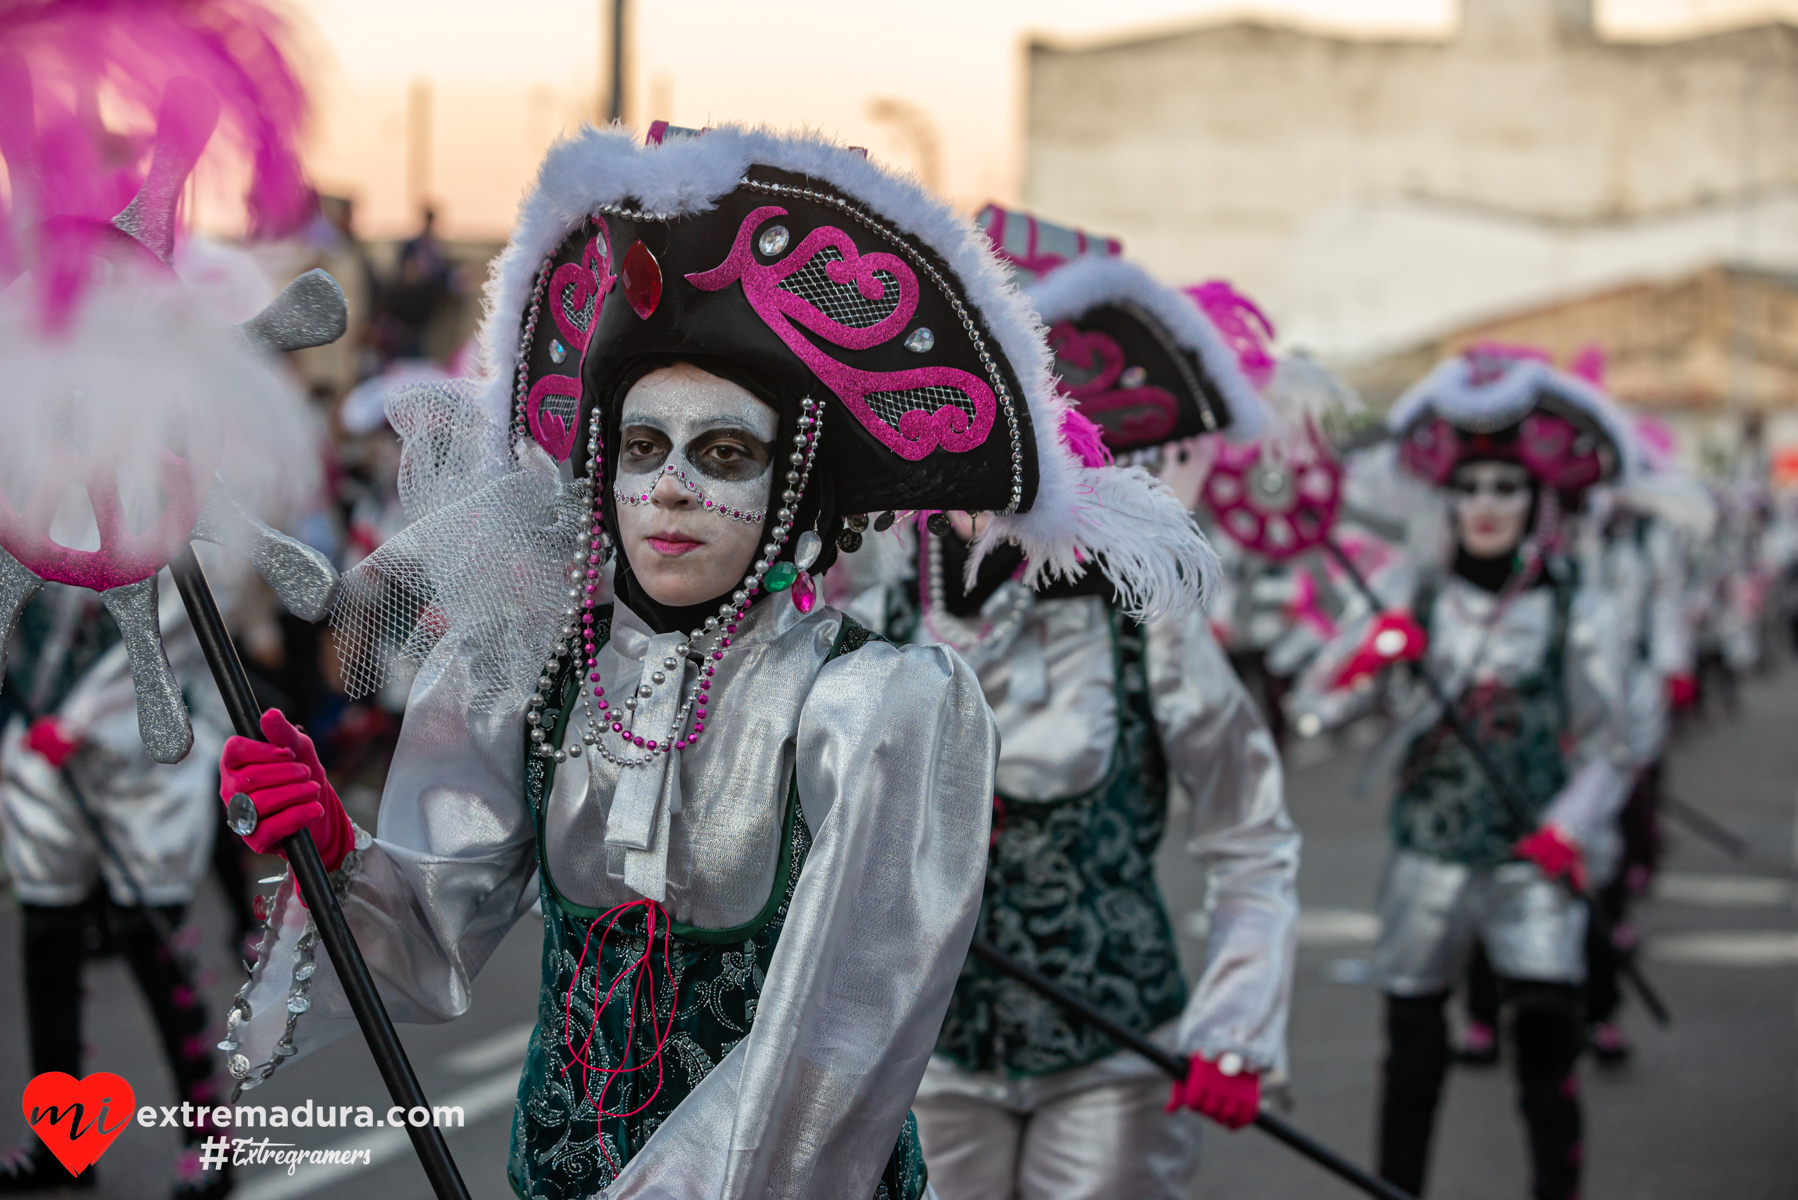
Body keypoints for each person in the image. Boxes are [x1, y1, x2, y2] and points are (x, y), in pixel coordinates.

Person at [215, 126, 1211, 1200]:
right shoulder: (533, 675)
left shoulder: (875, 707)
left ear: (797, 487)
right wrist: (336, 853)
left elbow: (826, 1054)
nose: (675, 487)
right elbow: (424, 946)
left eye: (723, 453)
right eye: (643, 449)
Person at [886, 208, 1300, 1200]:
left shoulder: (1144, 612)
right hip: (918, 1064)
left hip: (1116, 1064)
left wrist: (1235, 1025)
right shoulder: (875, 601)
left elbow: (1251, 834)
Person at [1288, 344, 1636, 1200]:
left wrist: (1570, 829)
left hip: (1532, 864)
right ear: (1445, 498)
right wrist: (1369, 661)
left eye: (1507, 489)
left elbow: (1615, 743)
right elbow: (1312, 708)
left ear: (1538, 499)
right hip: (1427, 858)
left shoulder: (1574, 607)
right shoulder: (1412, 593)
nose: (1487, 506)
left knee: (1549, 1049)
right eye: (1470, 489)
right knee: (1412, 1052)